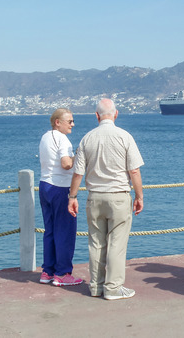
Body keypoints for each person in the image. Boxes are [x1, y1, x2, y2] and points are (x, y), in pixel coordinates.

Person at [68, 98, 144, 300]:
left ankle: (96, 286)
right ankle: (113, 288)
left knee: (96, 243)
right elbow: (134, 170)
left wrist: (72, 197)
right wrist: (139, 196)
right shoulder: (125, 137)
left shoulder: (87, 138)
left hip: (94, 197)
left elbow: (77, 173)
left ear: (96, 115)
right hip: (118, 197)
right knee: (117, 244)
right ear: (116, 114)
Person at [38, 108, 83, 286]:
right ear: (58, 122)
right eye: (69, 121)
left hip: (45, 185)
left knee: (50, 230)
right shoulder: (62, 138)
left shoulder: (45, 137)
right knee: (65, 231)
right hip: (61, 188)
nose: (73, 124)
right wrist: (78, 154)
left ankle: (48, 271)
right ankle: (63, 273)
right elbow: (66, 164)